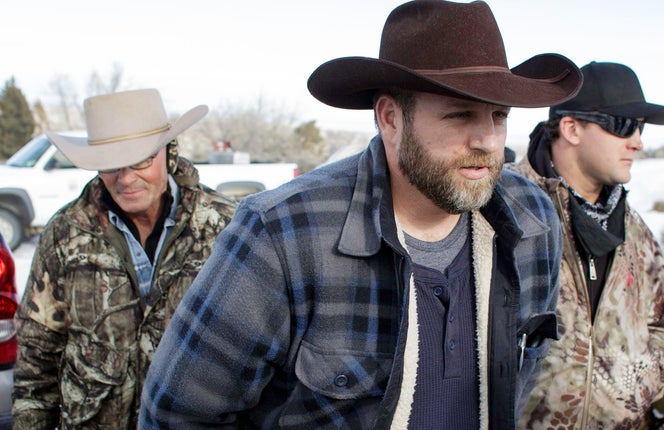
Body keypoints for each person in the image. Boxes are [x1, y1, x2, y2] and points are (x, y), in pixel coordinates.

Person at [140, 1, 583, 428]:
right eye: (459, 114)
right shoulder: (282, 235)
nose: (488, 140)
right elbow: (180, 415)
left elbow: (523, 374)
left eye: (499, 115)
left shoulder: (533, 223)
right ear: (391, 119)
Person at [12, 88, 237, 428]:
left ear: (168, 151)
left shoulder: (227, 229)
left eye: (141, 159)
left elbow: (260, 351)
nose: (126, 178)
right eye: (111, 164)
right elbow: (36, 357)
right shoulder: (64, 233)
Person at [511, 62, 664, 429]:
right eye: (623, 124)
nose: (637, 140)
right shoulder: (505, 211)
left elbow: (659, 324)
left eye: (641, 127)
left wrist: (641, 389)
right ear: (571, 128)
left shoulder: (637, 233)